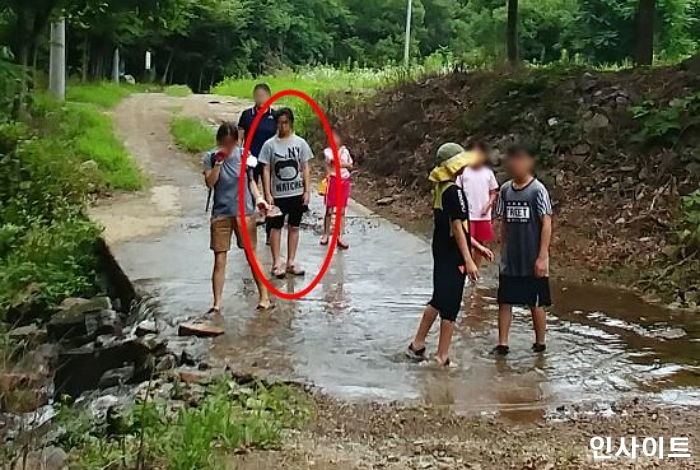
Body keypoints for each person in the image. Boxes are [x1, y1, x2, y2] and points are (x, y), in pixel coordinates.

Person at [406, 143, 494, 367]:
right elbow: (457, 228)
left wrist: (478, 247)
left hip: (441, 251)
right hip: (453, 255)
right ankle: (442, 356)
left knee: (438, 299)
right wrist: (468, 260)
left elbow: (457, 228)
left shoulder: (441, 189)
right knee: (451, 305)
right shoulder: (455, 193)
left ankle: (417, 344)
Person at [203, 122, 271, 313]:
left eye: (231, 143)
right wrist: (218, 163)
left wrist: (259, 199)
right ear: (219, 142)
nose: (228, 147)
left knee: (251, 255)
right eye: (224, 143)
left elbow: (251, 182)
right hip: (221, 213)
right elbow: (210, 183)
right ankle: (216, 303)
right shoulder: (210, 157)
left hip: (244, 212)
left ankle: (264, 296)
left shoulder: (244, 156)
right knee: (219, 259)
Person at [493, 144, 553, 356]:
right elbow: (503, 221)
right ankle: (502, 344)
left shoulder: (538, 190)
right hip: (511, 256)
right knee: (505, 300)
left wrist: (542, 256)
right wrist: (502, 247)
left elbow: (546, 222)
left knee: (535, 301)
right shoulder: (505, 190)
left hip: (532, 254)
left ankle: (540, 343)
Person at [259, 107, 314, 279]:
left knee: (294, 227)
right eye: (279, 123)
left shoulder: (300, 143)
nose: (282, 127)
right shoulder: (269, 145)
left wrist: (307, 190)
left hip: (296, 192)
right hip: (278, 194)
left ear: (291, 123)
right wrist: (267, 193)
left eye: (285, 123)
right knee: (275, 227)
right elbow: (266, 170)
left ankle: (291, 261)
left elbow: (305, 167)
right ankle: (277, 262)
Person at [238, 83, 277, 227]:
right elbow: (240, 136)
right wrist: (238, 153)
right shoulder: (247, 115)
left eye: (263, 96)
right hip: (251, 158)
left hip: (269, 160)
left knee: (270, 189)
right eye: (258, 96)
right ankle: (256, 213)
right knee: (250, 187)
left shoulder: (275, 116)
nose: (261, 99)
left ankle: (270, 215)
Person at [456, 141, 499, 267]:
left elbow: (493, 192)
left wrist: (488, 205)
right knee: (467, 242)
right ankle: (466, 267)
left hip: (483, 215)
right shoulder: (463, 172)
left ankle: (476, 272)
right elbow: (458, 190)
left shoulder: (488, 173)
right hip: (467, 214)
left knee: (480, 245)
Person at [320, 128, 353, 249]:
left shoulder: (345, 151)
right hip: (333, 180)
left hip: (344, 181)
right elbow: (329, 163)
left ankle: (340, 236)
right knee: (329, 209)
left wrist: (342, 164)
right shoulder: (328, 151)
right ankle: (326, 234)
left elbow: (350, 165)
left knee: (342, 211)